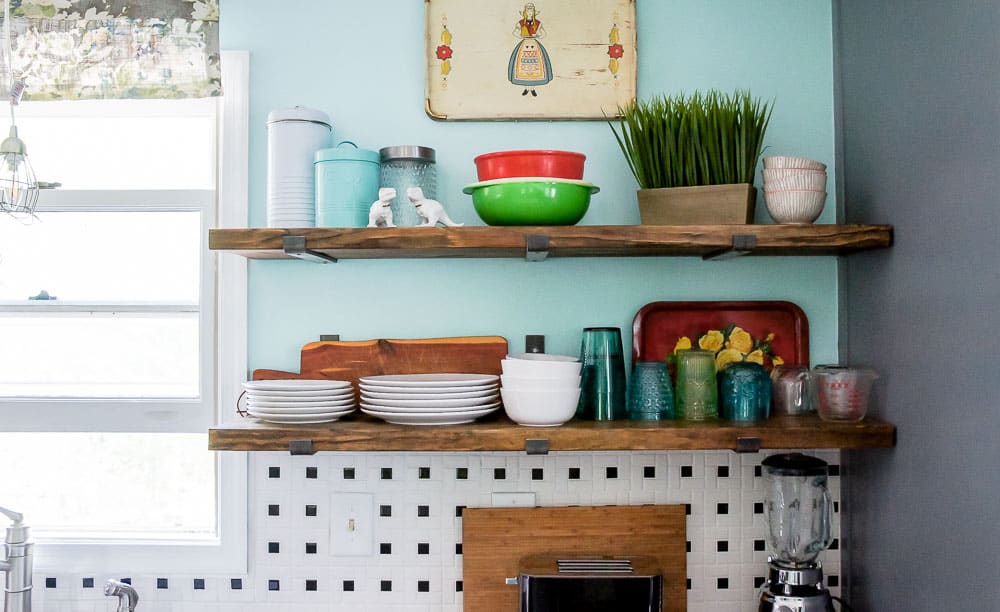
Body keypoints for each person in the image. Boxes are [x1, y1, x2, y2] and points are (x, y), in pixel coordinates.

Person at [508, 3, 553, 97]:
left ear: (533, 13)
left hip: (534, 45)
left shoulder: (537, 23)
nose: (529, 13)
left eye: (531, 12)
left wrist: (537, 35)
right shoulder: (521, 23)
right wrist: (522, 36)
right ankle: (526, 87)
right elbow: (514, 33)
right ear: (525, 13)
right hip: (524, 44)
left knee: (535, 65)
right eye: (528, 12)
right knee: (523, 66)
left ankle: (532, 88)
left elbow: (544, 34)